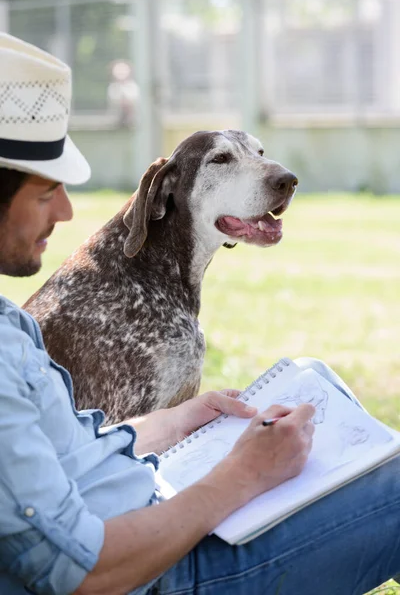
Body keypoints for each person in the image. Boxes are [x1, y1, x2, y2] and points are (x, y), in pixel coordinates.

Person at [0, 32, 399, 595]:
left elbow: (73, 447)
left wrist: (180, 421)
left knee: (325, 398)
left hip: (159, 518)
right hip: (164, 569)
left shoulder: (6, 324)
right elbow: (84, 573)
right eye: (46, 192)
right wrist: (239, 478)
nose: (68, 211)